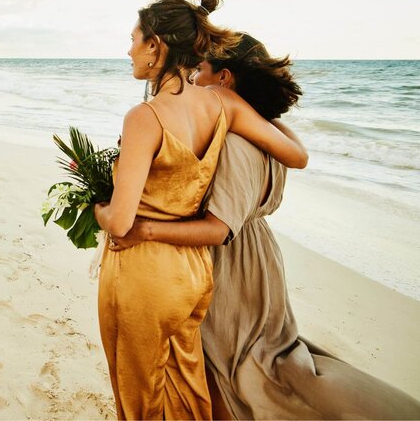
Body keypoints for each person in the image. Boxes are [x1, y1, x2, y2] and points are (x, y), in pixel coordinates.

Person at [109, 33, 420, 419]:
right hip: (256, 256)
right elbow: (295, 156)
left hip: (232, 264)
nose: (191, 79)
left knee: (235, 369)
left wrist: (144, 230)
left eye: (200, 71)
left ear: (224, 80)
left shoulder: (239, 144)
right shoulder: (266, 130)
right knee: (246, 360)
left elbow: (219, 230)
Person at [93, 0, 308, 420]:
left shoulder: (144, 117)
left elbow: (121, 222)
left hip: (146, 274)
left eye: (134, 40)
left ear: (156, 45)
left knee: (139, 396)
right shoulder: (222, 104)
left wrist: (97, 206)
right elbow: (296, 156)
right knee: (188, 388)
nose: (129, 50)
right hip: (194, 273)